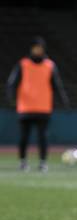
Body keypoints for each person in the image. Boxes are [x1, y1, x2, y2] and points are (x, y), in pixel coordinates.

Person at [6, 37, 70, 172]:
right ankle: (23, 161)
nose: (38, 50)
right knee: (24, 136)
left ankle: (43, 162)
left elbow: (57, 85)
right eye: (35, 47)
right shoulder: (23, 64)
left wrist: (63, 99)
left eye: (40, 48)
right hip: (25, 107)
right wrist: (11, 97)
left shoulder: (50, 65)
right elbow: (12, 83)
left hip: (43, 108)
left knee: (43, 137)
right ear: (31, 49)